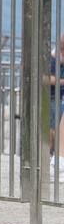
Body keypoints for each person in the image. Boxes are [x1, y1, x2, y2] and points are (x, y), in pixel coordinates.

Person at [49, 33, 64, 162]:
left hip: (59, 97)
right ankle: (54, 154)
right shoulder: (51, 59)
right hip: (52, 97)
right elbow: (44, 78)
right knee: (54, 125)